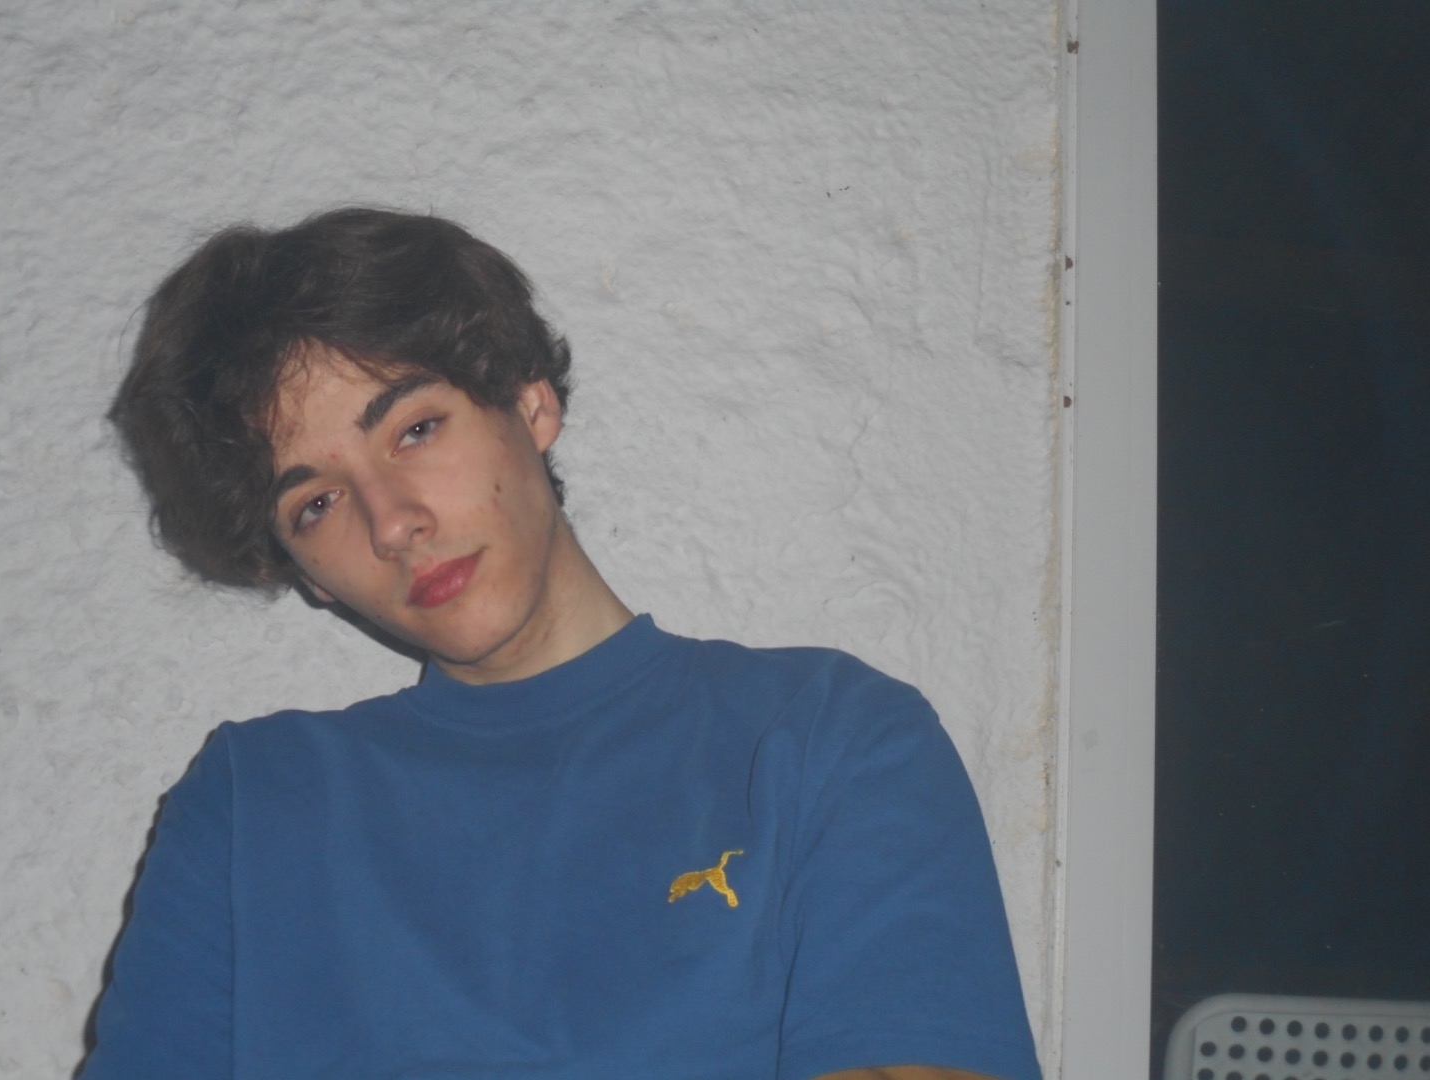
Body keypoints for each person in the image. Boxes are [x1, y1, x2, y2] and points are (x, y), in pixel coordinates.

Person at [84, 207, 1042, 1080]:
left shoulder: (829, 738)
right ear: (307, 574)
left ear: (530, 404)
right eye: (317, 502)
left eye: (414, 429)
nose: (393, 521)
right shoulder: (251, 807)